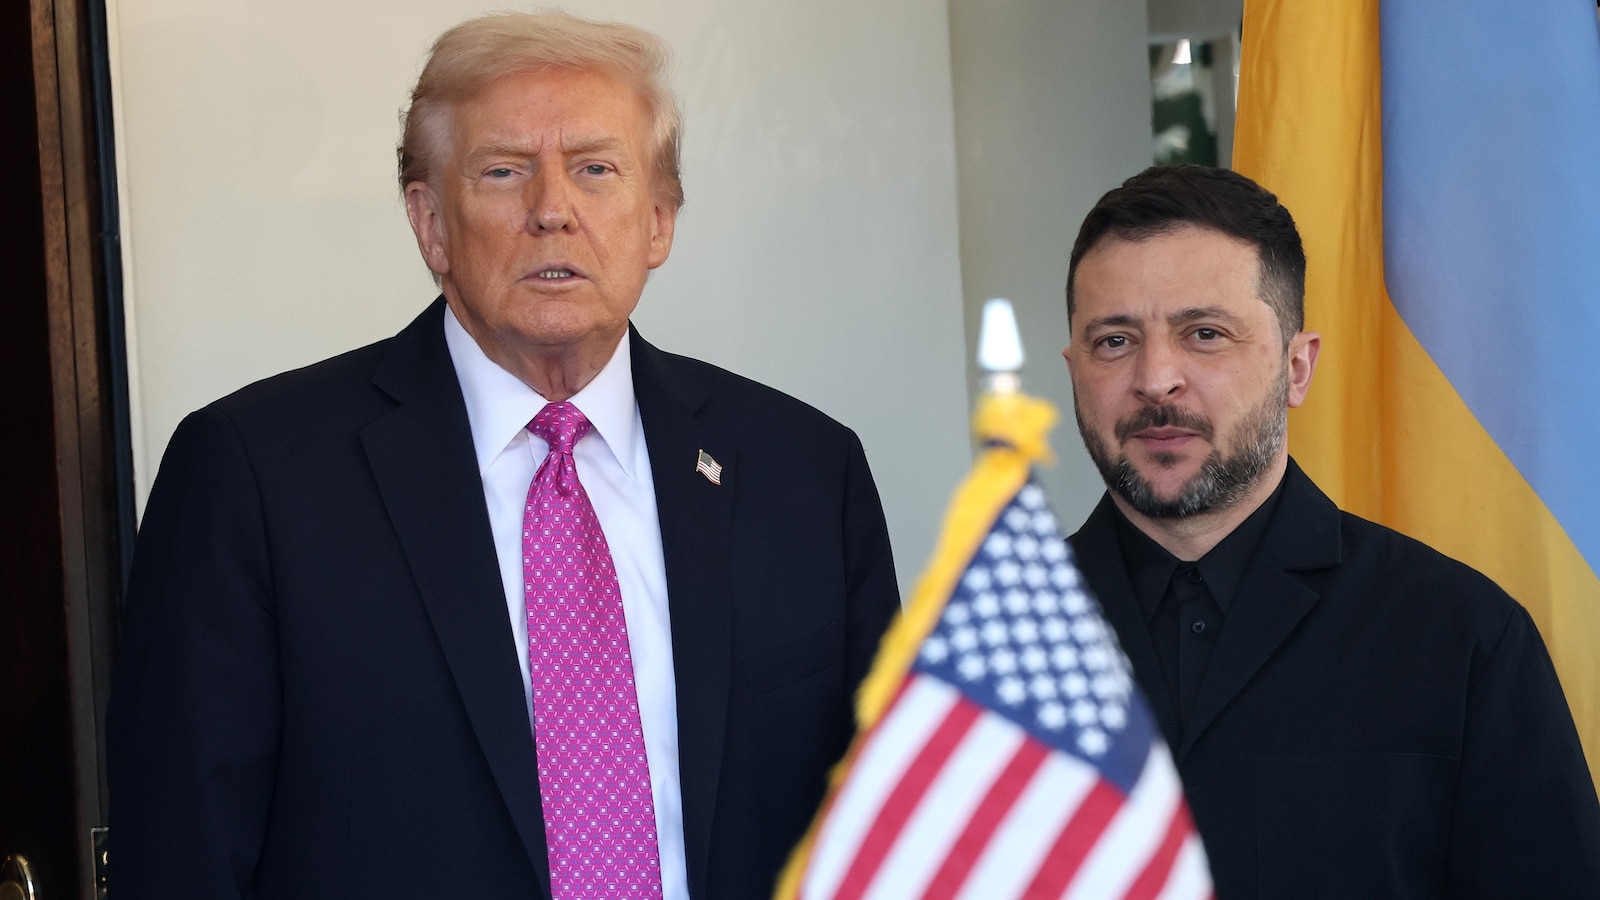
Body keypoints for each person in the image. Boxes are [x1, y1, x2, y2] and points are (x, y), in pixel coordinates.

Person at [106, 11, 900, 899]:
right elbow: (179, 857)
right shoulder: (256, 478)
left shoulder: (805, 474)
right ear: (430, 224)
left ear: (659, 221)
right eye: (503, 171)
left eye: (595, 169)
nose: (552, 210)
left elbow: (889, 834)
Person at [1059, 164, 1600, 897]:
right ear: (1074, 368)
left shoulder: (1461, 637)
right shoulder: (978, 646)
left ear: (1297, 367)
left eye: (1205, 334)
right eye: (1114, 341)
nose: (1156, 378)